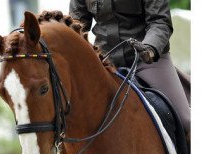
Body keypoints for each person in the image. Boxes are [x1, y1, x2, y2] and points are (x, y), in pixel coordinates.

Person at [69, 0, 190, 139]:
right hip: (106, 62)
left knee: (186, 122)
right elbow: (75, 25)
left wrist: (149, 48)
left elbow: (160, 22)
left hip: (148, 60)